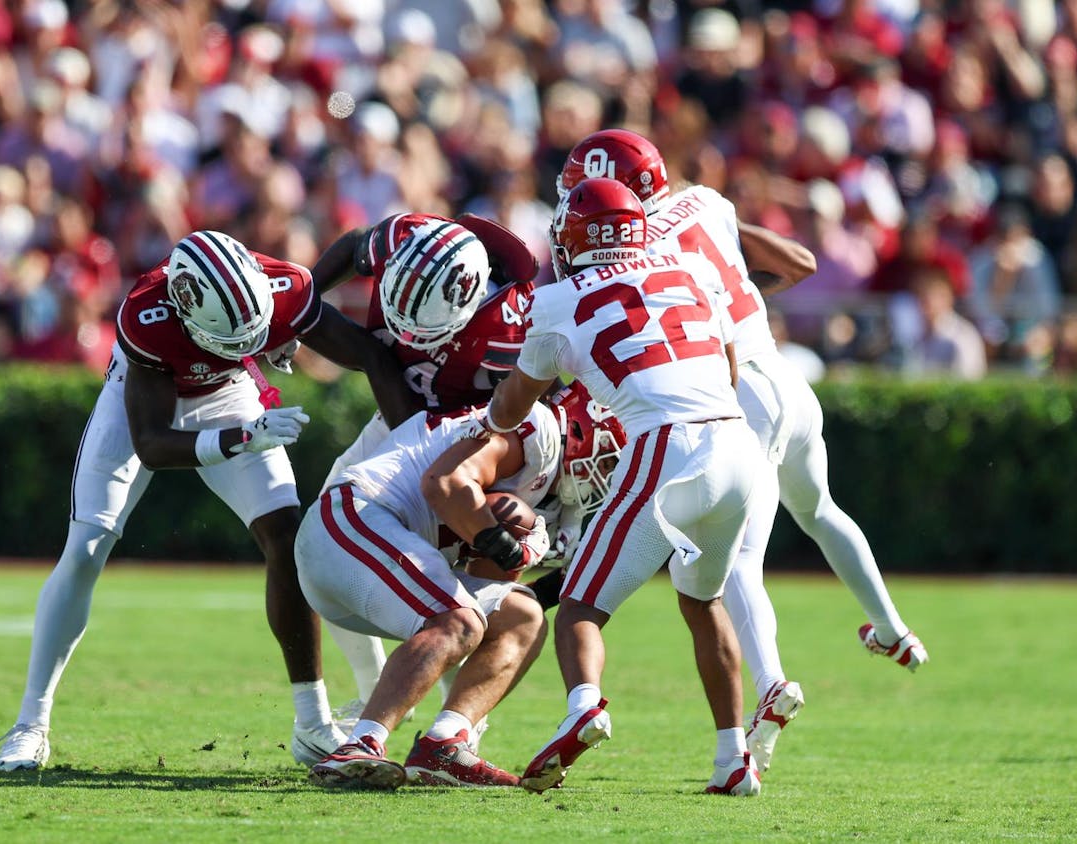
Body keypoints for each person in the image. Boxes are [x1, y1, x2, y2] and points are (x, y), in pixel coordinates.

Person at [557, 129, 930, 776]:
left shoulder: (630, 250)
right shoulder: (705, 201)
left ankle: (772, 683)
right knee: (820, 511)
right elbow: (801, 263)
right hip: (785, 375)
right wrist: (744, 299)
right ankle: (894, 630)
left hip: (732, 389)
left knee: (736, 561)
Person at [0, 230, 412, 771]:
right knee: (86, 546)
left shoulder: (281, 286)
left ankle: (313, 724)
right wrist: (241, 438)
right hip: (145, 403)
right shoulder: (148, 315)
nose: (254, 342)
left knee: (291, 538)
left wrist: (417, 445)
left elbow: (367, 350)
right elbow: (152, 444)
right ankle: (31, 723)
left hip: (232, 392)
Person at [469, 178, 764, 796]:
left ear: (573, 237)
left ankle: (584, 708)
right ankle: (732, 759)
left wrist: (483, 430)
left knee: (579, 603)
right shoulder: (689, 268)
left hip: (667, 445)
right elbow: (729, 368)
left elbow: (513, 403)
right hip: (738, 445)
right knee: (703, 601)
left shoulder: (555, 302)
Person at [299, 382, 625, 790]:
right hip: (353, 521)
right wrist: (508, 548)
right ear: (583, 427)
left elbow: (491, 590)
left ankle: (445, 744)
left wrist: (539, 569)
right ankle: (361, 743)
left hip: (373, 569)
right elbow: (444, 483)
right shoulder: (534, 429)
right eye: (610, 459)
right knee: (458, 621)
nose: (608, 474)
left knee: (523, 618)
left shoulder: (555, 494)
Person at [305, 213, 544, 713]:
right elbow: (353, 246)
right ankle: (378, 689)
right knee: (325, 541)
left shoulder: (509, 325)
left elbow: (523, 409)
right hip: (398, 417)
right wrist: (303, 300)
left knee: (481, 561)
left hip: (455, 436)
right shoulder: (411, 237)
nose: (408, 333)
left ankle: (457, 714)